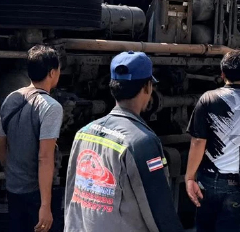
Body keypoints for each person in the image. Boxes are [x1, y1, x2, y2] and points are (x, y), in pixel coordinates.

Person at [64, 51, 183, 232]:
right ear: (147, 87)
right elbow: (159, 210)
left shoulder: (83, 133)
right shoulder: (142, 142)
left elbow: (72, 195)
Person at [185, 50, 240, 232]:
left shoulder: (208, 99)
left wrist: (189, 177)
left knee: (205, 227)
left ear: (222, 74)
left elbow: (198, 141)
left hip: (209, 179)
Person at [0, 45, 63, 232]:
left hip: (14, 188)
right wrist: (45, 206)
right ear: (51, 73)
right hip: (36, 193)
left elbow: (0, 142)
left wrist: (10, 172)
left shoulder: (11, 98)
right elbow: (45, 157)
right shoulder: (51, 107)